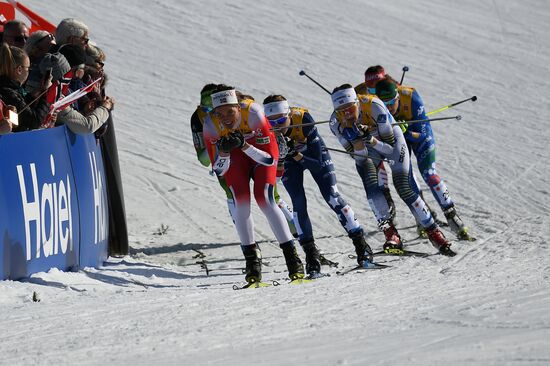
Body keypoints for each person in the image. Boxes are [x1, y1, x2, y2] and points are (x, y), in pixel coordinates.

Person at [329, 84, 455, 256]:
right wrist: (358, 143)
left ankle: (434, 232)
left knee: (404, 186)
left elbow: (389, 149)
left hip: (390, 141)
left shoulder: (374, 106)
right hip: (367, 147)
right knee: (372, 188)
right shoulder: (335, 123)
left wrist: (370, 139)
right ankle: (391, 234)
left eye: (350, 108)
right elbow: (358, 158)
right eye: (342, 111)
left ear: (357, 102)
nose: (348, 114)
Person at [202, 85, 305, 284]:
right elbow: (219, 170)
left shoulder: (253, 112)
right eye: (220, 114)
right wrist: (223, 152)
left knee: (265, 198)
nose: (226, 118)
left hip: (260, 153)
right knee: (240, 202)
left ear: (238, 107)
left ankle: (293, 260)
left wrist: (245, 145)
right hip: (236, 156)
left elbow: (268, 160)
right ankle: (252, 264)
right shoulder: (211, 124)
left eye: (230, 112)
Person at [263, 94, 373, 273]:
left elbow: (317, 164)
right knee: (298, 202)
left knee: (333, 196)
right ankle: (311, 257)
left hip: (311, 156)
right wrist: (283, 157)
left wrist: (295, 152)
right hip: (290, 161)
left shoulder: (303, 119)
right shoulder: (265, 129)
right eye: (271, 123)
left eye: (281, 120)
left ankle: (362, 247)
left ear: (289, 115)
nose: (277, 127)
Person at [375, 78, 472, 240]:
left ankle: (452, 215)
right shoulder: (376, 108)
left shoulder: (411, 98)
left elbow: (422, 136)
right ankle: (423, 216)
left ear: (398, 97)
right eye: (385, 105)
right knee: (407, 177)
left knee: (429, 173)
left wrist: (405, 132)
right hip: (400, 140)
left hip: (418, 136)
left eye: (392, 102)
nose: (390, 108)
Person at [0, 43, 50, 132]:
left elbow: (22, 111)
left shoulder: (8, 89)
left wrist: (32, 96)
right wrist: (45, 96)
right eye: (28, 68)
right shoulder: (9, 92)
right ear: (19, 70)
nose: (28, 72)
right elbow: (34, 121)